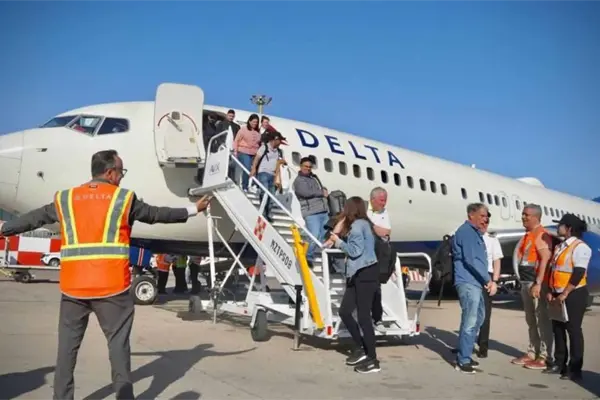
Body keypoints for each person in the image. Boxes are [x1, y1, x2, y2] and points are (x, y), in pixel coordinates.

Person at [0, 149, 211, 400]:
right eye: (121, 172)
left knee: (66, 350)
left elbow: (34, 218)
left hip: (74, 288)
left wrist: (5, 229)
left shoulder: (66, 198)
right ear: (109, 172)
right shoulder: (123, 199)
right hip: (112, 287)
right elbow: (157, 215)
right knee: (118, 347)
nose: (121, 176)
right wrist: (193, 209)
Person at [325, 197, 381, 374]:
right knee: (345, 311)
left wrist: (338, 242)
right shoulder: (364, 224)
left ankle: (372, 359)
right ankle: (361, 347)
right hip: (358, 274)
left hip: (364, 274)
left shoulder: (357, 226)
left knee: (364, 317)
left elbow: (355, 251)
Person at [544, 214, 591, 381]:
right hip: (557, 292)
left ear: (569, 228)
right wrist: (551, 290)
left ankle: (575, 369)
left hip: (574, 293)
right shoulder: (560, 246)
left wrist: (565, 293)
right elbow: (554, 270)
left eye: (561, 225)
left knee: (573, 329)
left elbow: (578, 273)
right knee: (557, 328)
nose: (558, 227)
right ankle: (559, 363)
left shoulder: (580, 247)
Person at [452, 203, 497, 374]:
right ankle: (463, 360)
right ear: (472, 215)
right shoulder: (467, 232)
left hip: (476, 283)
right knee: (470, 320)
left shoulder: (475, 233)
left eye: (487, 216)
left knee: (479, 317)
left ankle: (466, 352)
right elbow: (471, 260)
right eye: (482, 215)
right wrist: (488, 279)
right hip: (468, 282)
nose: (485, 219)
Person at [511, 204, 554, 370]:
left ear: (536, 217)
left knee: (541, 320)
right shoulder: (527, 236)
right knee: (531, 320)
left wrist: (539, 283)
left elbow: (545, 259)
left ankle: (544, 356)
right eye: (523, 214)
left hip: (536, 284)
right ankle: (532, 352)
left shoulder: (541, 235)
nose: (523, 217)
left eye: (526, 215)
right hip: (525, 282)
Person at [293, 156, 329, 266]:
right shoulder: (299, 180)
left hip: (323, 211)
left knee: (323, 236)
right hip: (311, 212)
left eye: (310, 167)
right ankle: (307, 256)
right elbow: (305, 193)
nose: (308, 169)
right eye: (306, 166)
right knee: (314, 235)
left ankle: (320, 256)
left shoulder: (313, 179)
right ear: (300, 166)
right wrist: (321, 192)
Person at [476, 212, 503, 358]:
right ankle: (465, 343)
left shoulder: (492, 240)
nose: (484, 225)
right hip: (472, 276)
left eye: (486, 222)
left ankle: (483, 346)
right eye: (482, 222)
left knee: (485, 314)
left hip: (487, 276)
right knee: (469, 312)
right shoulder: (471, 238)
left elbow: (497, 261)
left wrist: (495, 282)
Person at [366, 187, 391, 332]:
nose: (384, 203)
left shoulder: (384, 212)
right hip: (362, 256)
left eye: (385, 200)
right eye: (381, 200)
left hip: (376, 256)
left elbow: (386, 232)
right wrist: (376, 229)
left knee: (376, 289)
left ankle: (377, 319)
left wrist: (370, 226)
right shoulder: (363, 208)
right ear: (372, 199)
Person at [249, 131, 287, 221]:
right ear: (274, 140)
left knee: (271, 195)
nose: (280, 142)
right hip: (263, 172)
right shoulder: (264, 147)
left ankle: (267, 213)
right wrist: (253, 169)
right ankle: (263, 212)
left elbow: (281, 163)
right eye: (279, 140)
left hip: (273, 175)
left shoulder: (279, 151)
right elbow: (257, 158)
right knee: (264, 191)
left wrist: (283, 163)